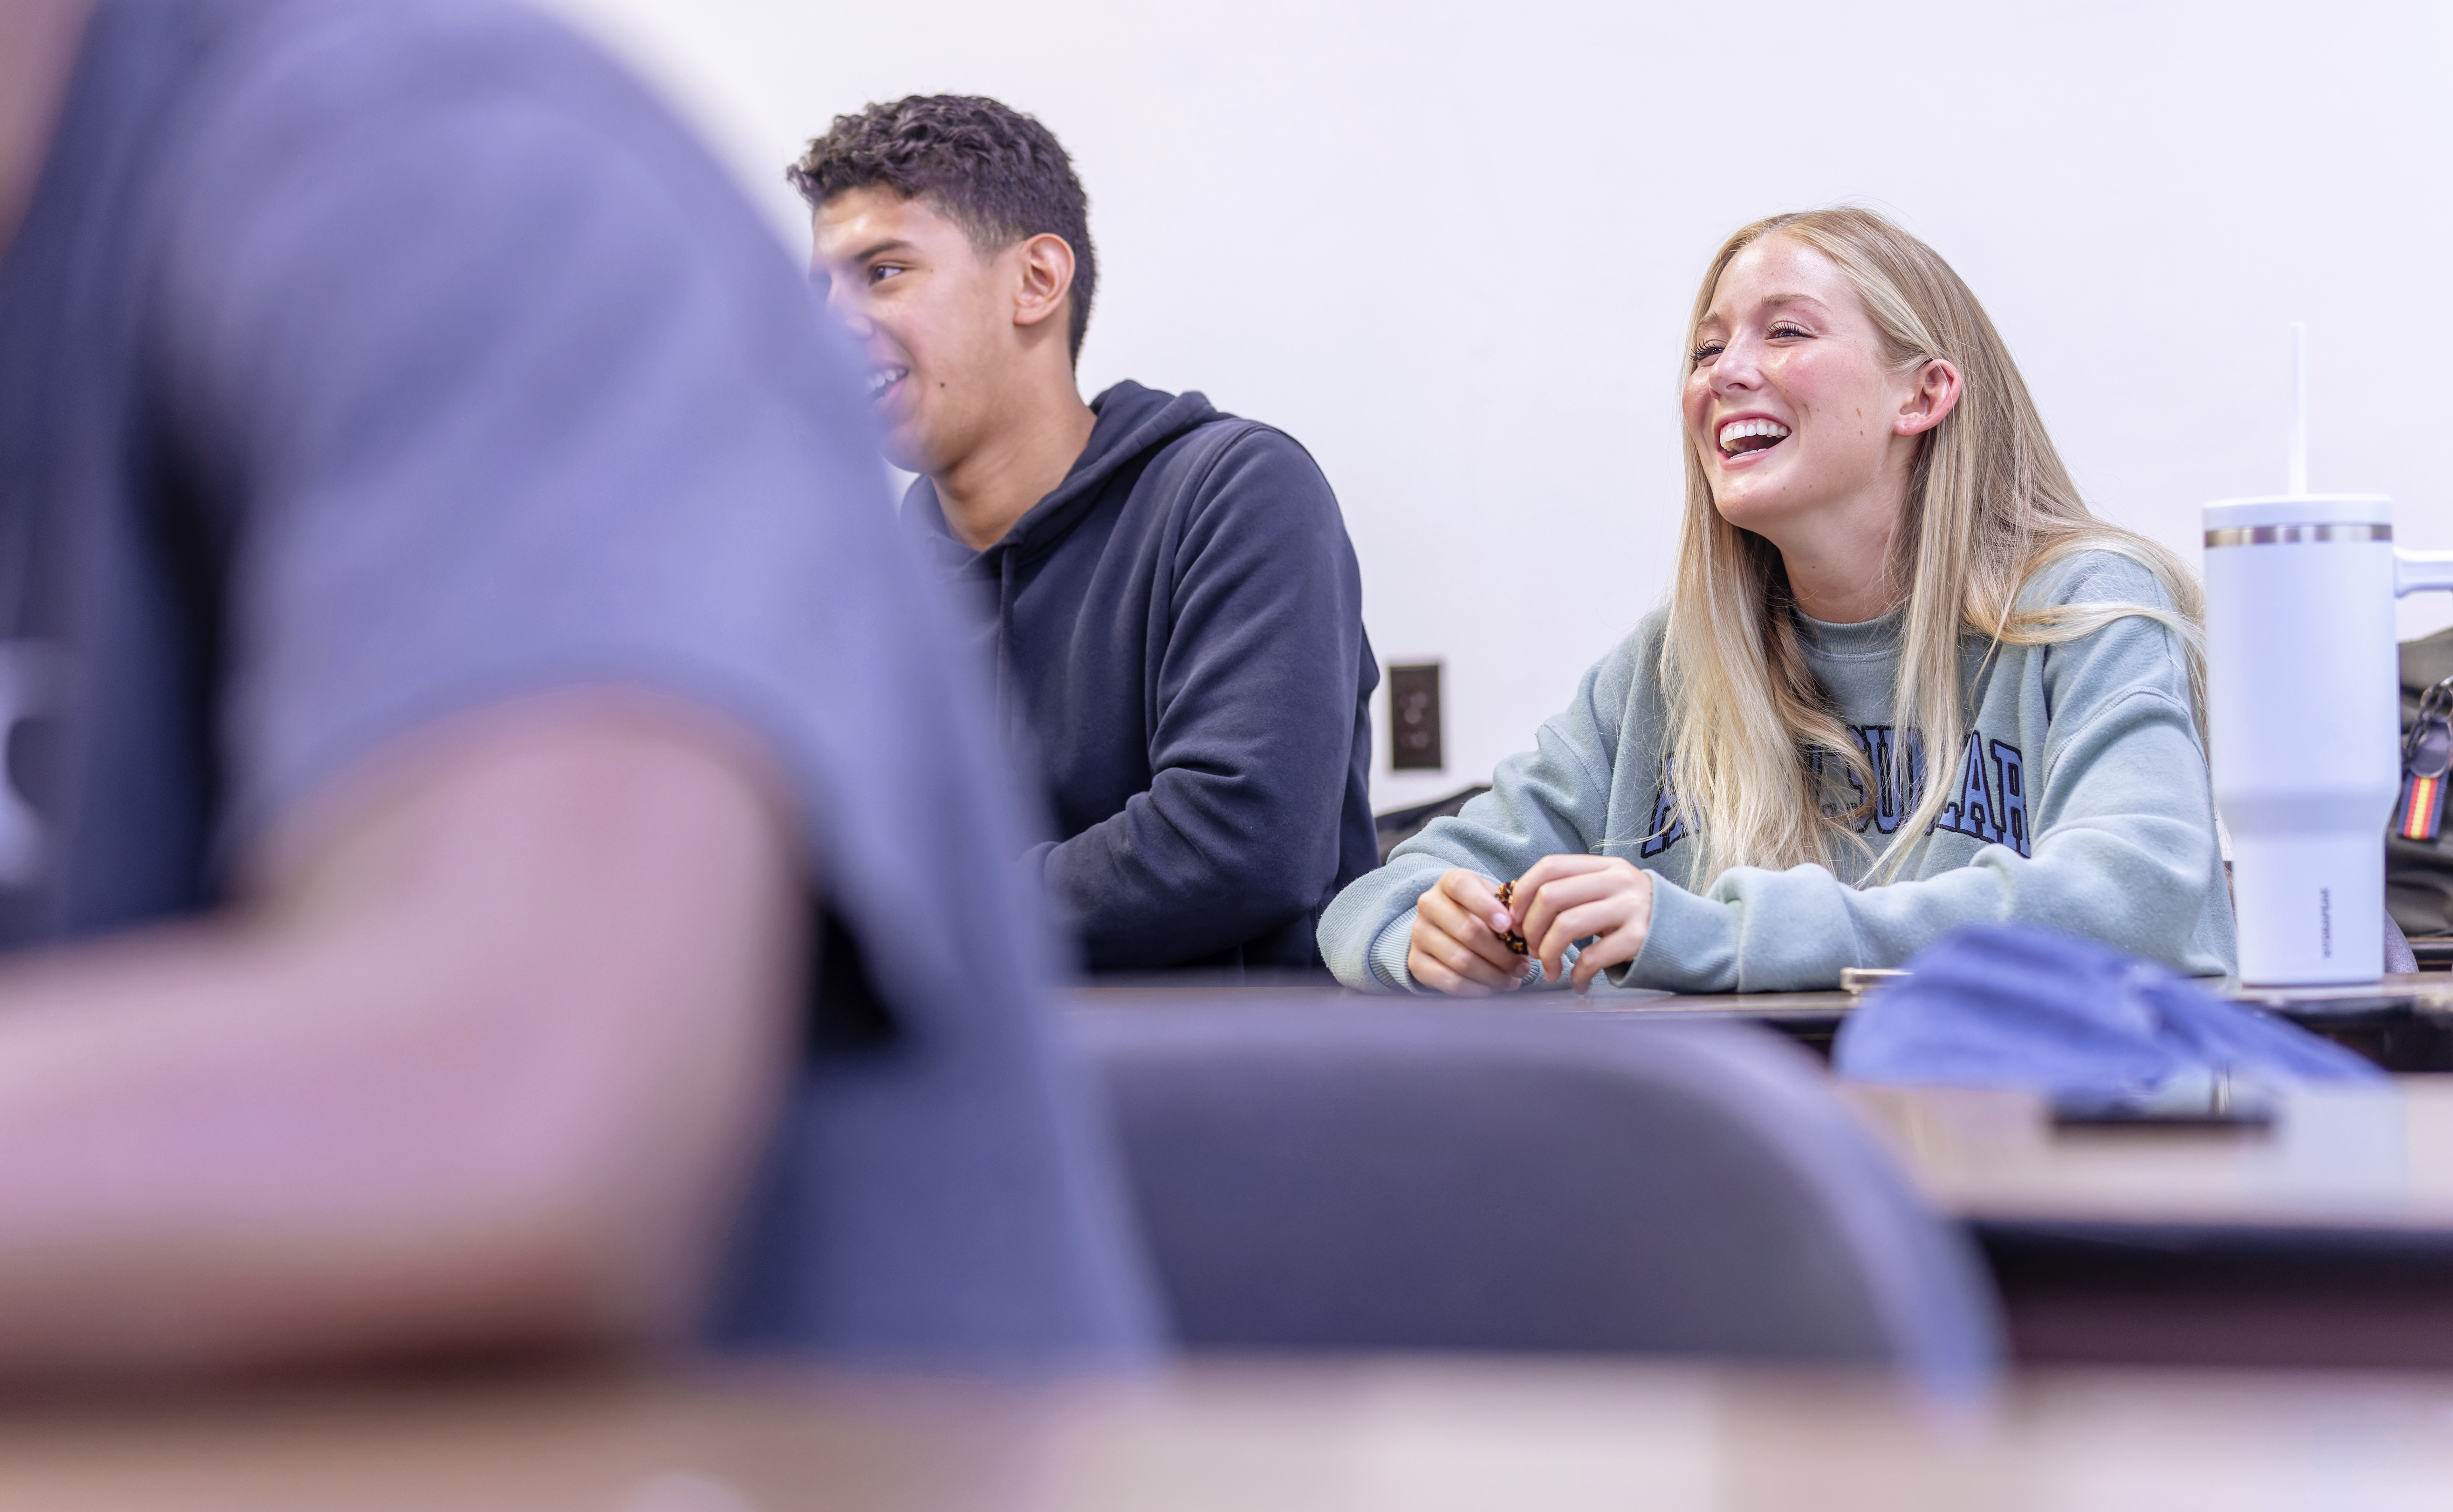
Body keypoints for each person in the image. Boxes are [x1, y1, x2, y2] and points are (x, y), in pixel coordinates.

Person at [0, 0, 1152, 1373]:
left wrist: (1025, 897)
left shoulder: (438, 169)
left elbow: (511, 1098)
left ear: (1038, 281)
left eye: (887, 271)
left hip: (777, 1494)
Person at [1321, 208, 2236, 996]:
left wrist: (1720, 933)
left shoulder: (2085, 609)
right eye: (1707, 349)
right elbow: (1378, 900)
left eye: (1787, 332)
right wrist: (1433, 937)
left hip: (2036, 1136)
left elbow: (2143, 897)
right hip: (1748, 1144)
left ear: (1924, 393)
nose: (1725, 373)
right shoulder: (1668, 669)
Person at [792, 95, 1379, 972]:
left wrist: (935, 914)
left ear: (1037, 281)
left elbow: (1242, 841)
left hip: (1228, 1059)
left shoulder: (1236, 492)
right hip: (983, 1060)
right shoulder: (868, 580)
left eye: (883, 271)